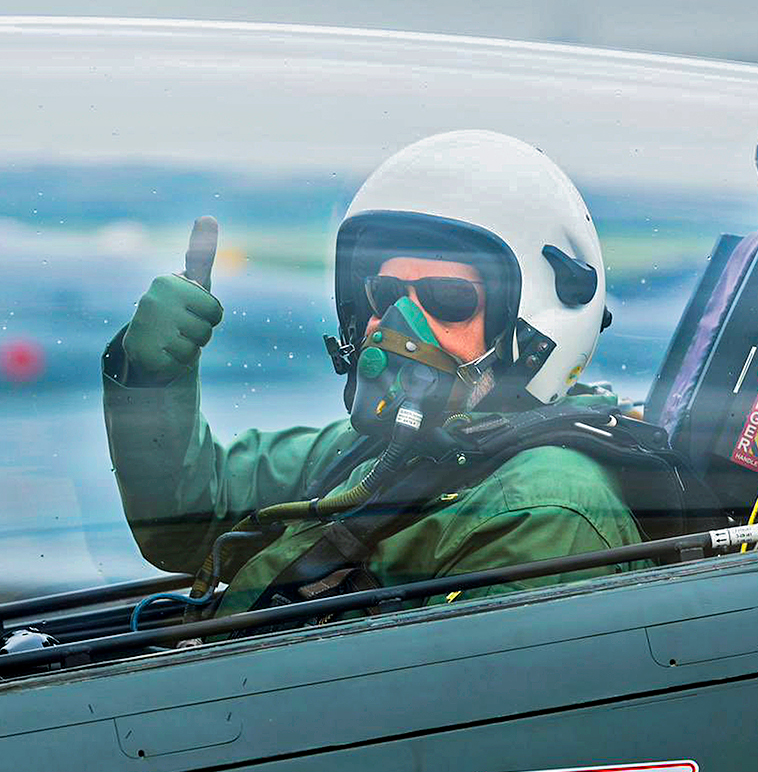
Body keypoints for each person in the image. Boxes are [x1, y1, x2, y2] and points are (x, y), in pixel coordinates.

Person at [102, 130, 644, 627]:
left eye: (448, 299)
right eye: (383, 297)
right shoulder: (392, 448)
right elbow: (193, 516)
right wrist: (153, 381)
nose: (397, 328)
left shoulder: (543, 516)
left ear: (530, 329)